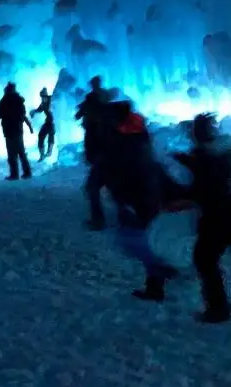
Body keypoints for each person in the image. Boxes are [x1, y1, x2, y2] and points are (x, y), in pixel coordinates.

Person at [102, 100, 180, 302]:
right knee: (148, 236)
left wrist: (122, 196)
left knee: (137, 239)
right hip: (147, 193)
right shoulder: (139, 135)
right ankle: (160, 272)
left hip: (138, 195)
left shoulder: (124, 141)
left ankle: (157, 281)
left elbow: (124, 170)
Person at [171, 113, 231, 323]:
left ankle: (218, 308)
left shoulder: (205, 157)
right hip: (224, 211)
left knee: (205, 258)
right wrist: (187, 161)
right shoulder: (223, 151)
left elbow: (204, 187)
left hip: (218, 215)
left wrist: (181, 199)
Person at [76, 76, 111, 229]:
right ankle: (126, 215)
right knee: (113, 185)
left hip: (102, 156)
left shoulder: (93, 103)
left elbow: (79, 114)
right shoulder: (105, 101)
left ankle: (98, 219)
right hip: (107, 154)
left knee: (93, 186)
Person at [0, 82, 33, 179]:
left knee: (11, 154)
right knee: (21, 152)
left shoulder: (4, 101)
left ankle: (14, 174)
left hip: (8, 130)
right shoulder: (19, 101)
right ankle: (27, 172)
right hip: (18, 129)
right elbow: (23, 114)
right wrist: (29, 126)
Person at [31, 87, 55, 160]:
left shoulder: (51, 99)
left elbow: (51, 107)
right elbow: (40, 109)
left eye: (43, 96)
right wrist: (34, 112)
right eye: (41, 96)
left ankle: (49, 152)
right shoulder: (43, 102)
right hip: (48, 122)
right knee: (41, 135)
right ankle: (42, 154)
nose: (42, 98)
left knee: (50, 134)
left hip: (52, 122)